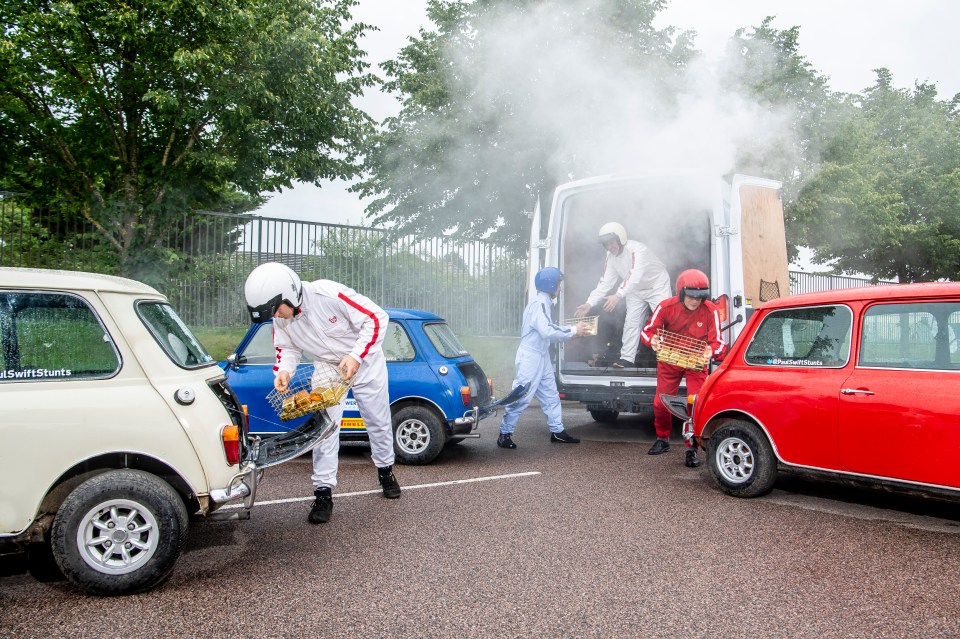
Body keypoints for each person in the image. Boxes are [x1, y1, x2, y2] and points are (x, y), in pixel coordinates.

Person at [243, 262, 401, 524]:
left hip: (365, 362)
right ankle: (323, 493)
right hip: (327, 367)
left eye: (276, 310)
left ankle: (385, 471)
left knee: (378, 422)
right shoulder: (280, 318)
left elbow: (376, 318)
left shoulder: (327, 294)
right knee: (324, 429)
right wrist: (284, 370)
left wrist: (355, 356)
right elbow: (286, 348)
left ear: (289, 294)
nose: (277, 317)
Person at [639, 268, 725, 467]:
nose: (695, 301)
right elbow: (646, 332)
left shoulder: (710, 309)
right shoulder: (665, 307)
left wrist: (709, 352)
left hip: (695, 362)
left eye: (700, 297)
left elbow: (719, 343)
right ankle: (662, 438)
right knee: (661, 402)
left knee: (694, 403)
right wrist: (653, 341)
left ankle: (691, 448)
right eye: (691, 297)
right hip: (670, 359)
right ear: (681, 292)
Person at [497, 267, 588, 449]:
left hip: (540, 355)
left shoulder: (543, 303)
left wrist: (571, 332)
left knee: (550, 395)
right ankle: (504, 434)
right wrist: (574, 330)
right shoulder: (539, 304)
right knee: (522, 396)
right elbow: (547, 330)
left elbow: (549, 328)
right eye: (559, 285)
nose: (560, 289)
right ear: (551, 284)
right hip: (531, 357)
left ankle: (558, 432)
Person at [574, 222, 672, 368]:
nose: (610, 247)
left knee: (665, 322)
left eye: (612, 243)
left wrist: (618, 295)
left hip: (656, 286)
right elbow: (605, 282)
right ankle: (627, 359)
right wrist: (590, 303)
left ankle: (668, 359)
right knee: (631, 322)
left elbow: (635, 275)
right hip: (634, 290)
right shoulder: (610, 256)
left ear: (621, 239)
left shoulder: (638, 250)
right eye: (606, 244)